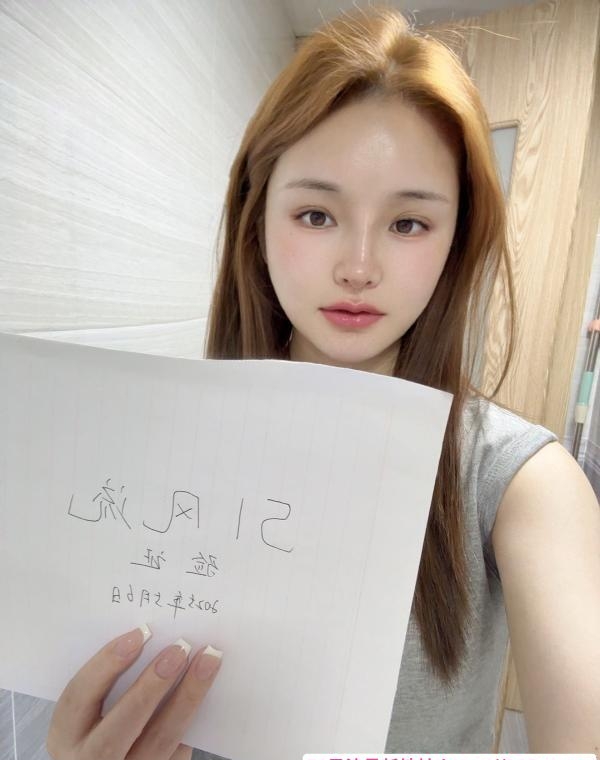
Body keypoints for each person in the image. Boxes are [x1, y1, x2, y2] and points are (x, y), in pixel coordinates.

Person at [47, 6, 600, 759]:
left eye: (408, 224)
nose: (359, 266)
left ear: (456, 242)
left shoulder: (519, 483)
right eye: (315, 214)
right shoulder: (162, 447)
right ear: (257, 220)